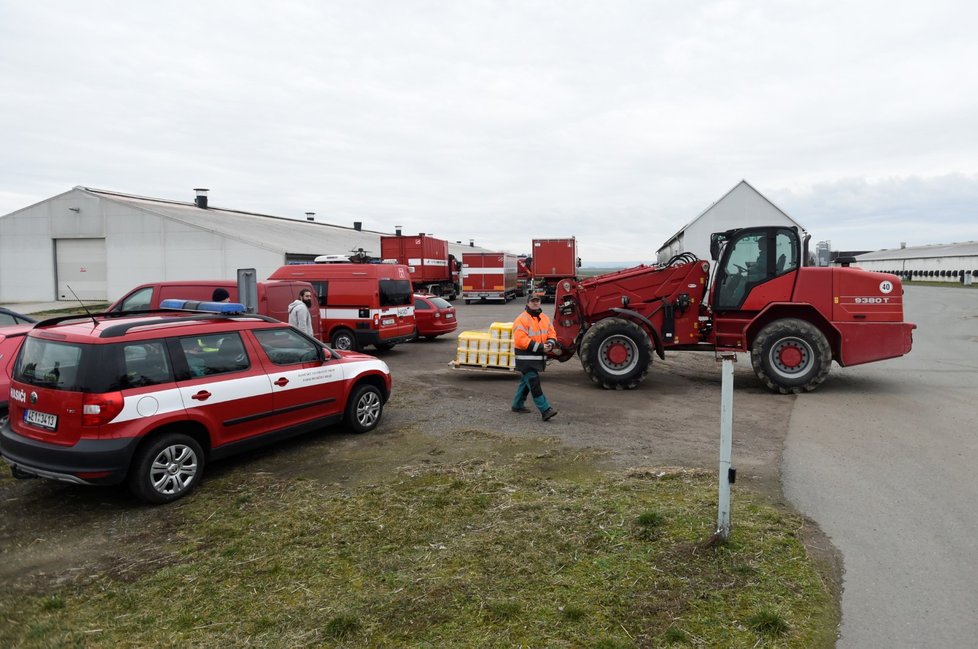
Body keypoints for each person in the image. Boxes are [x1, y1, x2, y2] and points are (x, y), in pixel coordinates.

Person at [511, 294, 558, 421]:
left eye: (537, 301)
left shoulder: (545, 318)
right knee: (533, 383)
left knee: (526, 383)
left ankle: (517, 405)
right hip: (525, 358)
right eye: (533, 301)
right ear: (528, 303)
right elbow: (521, 340)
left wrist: (550, 343)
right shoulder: (521, 319)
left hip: (537, 357)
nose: (535, 303)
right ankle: (545, 410)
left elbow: (552, 333)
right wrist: (541, 347)